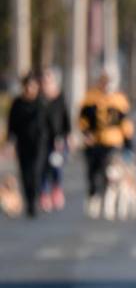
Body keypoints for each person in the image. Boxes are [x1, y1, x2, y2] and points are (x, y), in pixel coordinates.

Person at [78, 70, 135, 219]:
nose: (106, 86)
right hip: (93, 142)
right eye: (103, 82)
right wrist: (85, 134)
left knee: (107, 171)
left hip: (112, 141)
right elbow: (82, 120)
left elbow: (125, 123)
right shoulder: (90, 98)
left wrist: (128, 144)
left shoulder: (119, 100)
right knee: (92, 171)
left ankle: (105, 199)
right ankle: (93, 197)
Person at [4, 72, 48, 218]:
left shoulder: (41, 102)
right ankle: (29, 202)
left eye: (33, 85)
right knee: (25, 173)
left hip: (40, 143)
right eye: (27, 85)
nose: (30, 88)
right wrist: (9, 142)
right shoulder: (17, 103)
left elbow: (50, 123)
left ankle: (34, 199)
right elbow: (11, 124)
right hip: (23, 143)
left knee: (36, 172)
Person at [40, 69, 71, 212]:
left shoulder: (59, 98)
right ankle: (44, 194)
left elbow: (65, 118)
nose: (47, 84)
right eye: (44, 81)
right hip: (43, 140)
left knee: (56, 167)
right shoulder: (39, 99)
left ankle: (56, 189)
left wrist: (67, 136)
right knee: (43, 168)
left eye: (49, 80)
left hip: (58, 139)